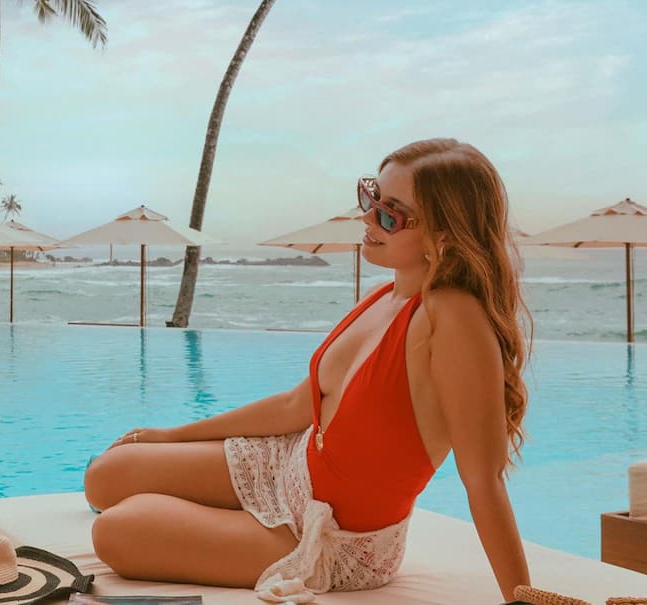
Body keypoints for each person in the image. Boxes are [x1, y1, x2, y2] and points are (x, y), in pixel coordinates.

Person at [84, 139, 532, 602]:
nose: (367, 217)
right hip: (289, 467)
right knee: (108, 473)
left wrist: (522, 599)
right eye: (369, 197)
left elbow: (483, 479)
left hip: (329, 533)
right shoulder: (385, 295)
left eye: (389, 214)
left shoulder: (454, 319)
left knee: (118, 529)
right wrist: (173, 434)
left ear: (446, 233)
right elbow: (299, 404)